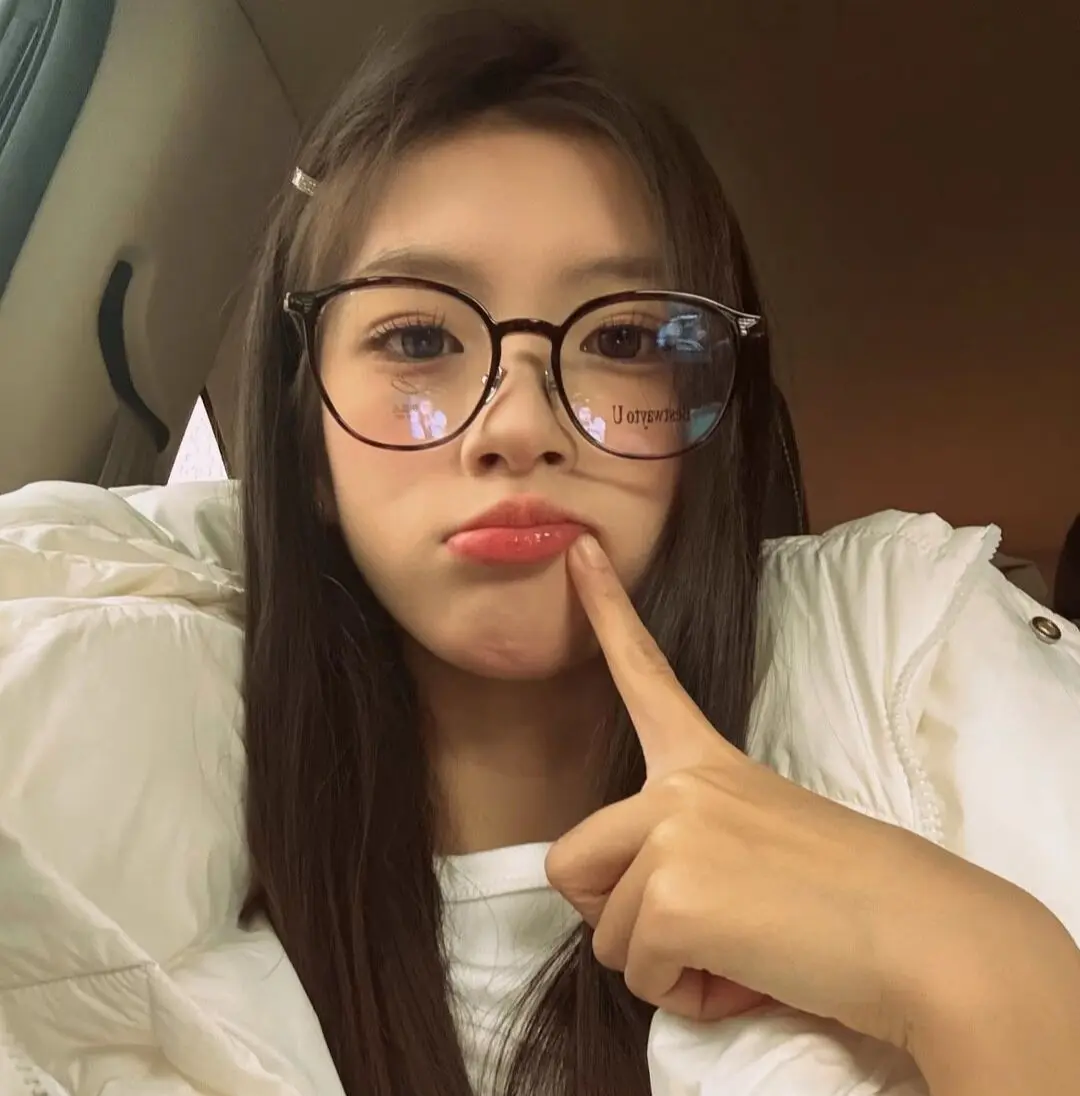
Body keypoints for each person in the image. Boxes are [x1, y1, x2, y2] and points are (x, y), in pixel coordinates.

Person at [1, 8, 1079, 1096]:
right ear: (308, 448)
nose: (519, 426)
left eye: (623, 340)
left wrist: (974, 964)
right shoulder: (96, 794)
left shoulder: (902, 652)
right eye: (418, 338)